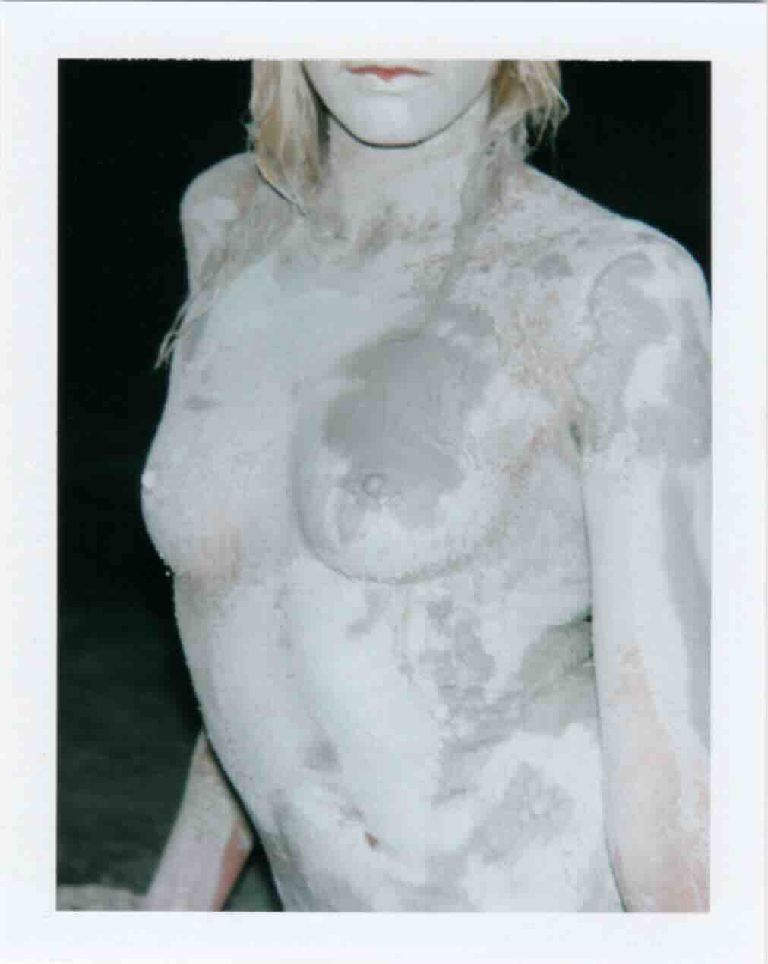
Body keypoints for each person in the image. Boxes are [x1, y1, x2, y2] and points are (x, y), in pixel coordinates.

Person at [141, 60, 710, 912]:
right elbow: (249, 618)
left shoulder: (611, 285)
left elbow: (673, 771)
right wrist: (170, 912)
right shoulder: (228, 220)